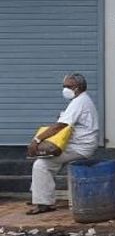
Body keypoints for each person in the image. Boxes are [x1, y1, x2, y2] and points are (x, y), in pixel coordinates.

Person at [26, 74, 98, 215]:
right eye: (64, 86)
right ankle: (41, 197)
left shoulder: (79, 102)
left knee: (41, 165)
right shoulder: (82, 100)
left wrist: (37, 140)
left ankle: (43, 202)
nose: (65, 89)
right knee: (47, 162)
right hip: (78, 145)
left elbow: (59, 126)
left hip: (79, 147)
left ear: (78, 87)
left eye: (68, 86)